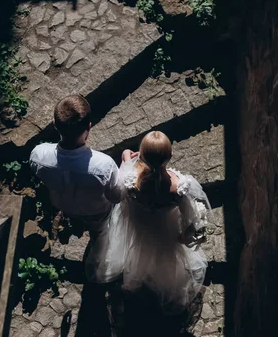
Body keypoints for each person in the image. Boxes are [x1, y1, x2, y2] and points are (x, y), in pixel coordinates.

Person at [86, 131, 210, 314]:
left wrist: (127, 155)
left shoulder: (130, 180)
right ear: (170, 157)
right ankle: (160, 283)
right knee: (163, 258)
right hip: (165, 232)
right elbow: (189, 218)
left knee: (139, 252)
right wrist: (183, 236)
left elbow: (119, 190)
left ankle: (139, 277)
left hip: (139, 227)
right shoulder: (180, 187)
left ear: (141, 156)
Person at [29, 95, 122, 236]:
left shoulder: (38, 156)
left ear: (54, 124)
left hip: (62, 205)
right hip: (96, 212)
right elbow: (116, 196)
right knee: (98, 230)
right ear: (89, 127)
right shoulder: (104, 166)